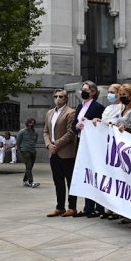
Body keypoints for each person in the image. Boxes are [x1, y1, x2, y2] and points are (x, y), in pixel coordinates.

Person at [73, 80, 106, 218]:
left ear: (93, 92)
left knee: (95, 174)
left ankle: (99, 207)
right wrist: (77, 126)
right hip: (81, 141)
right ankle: (88, 206)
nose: (83, 92)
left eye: (86, 89)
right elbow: (74, 123)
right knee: (86, 174)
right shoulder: (80, 106)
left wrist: (89, 123)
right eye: (82, 89)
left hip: (93, 144)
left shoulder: (98, 107)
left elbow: (100, 125)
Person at [44, 89, 78, 217]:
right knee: (57, 181)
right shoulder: (50, 113)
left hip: (66, 151)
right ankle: (60, 206)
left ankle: (72, 207)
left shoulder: (70, 112)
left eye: (61, 96)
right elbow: (45, 131)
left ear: (66, 99)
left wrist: (56, 144)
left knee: (70, 180)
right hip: (53, 152)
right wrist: (49, 145)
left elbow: (70, 133)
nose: (58, 98)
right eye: (56, 96)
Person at [17, 118, 39, 188]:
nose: (32, 125)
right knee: (29, 166)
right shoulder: (22, 132)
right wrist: (19, 150)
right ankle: (31, 182)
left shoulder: (35, 133)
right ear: (27, 124)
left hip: (33, 150)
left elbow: (35, 141)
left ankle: (25, 180)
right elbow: (18, 141)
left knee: (30, 167)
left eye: (33, 123)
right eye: (30, 123)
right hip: (25, 150)